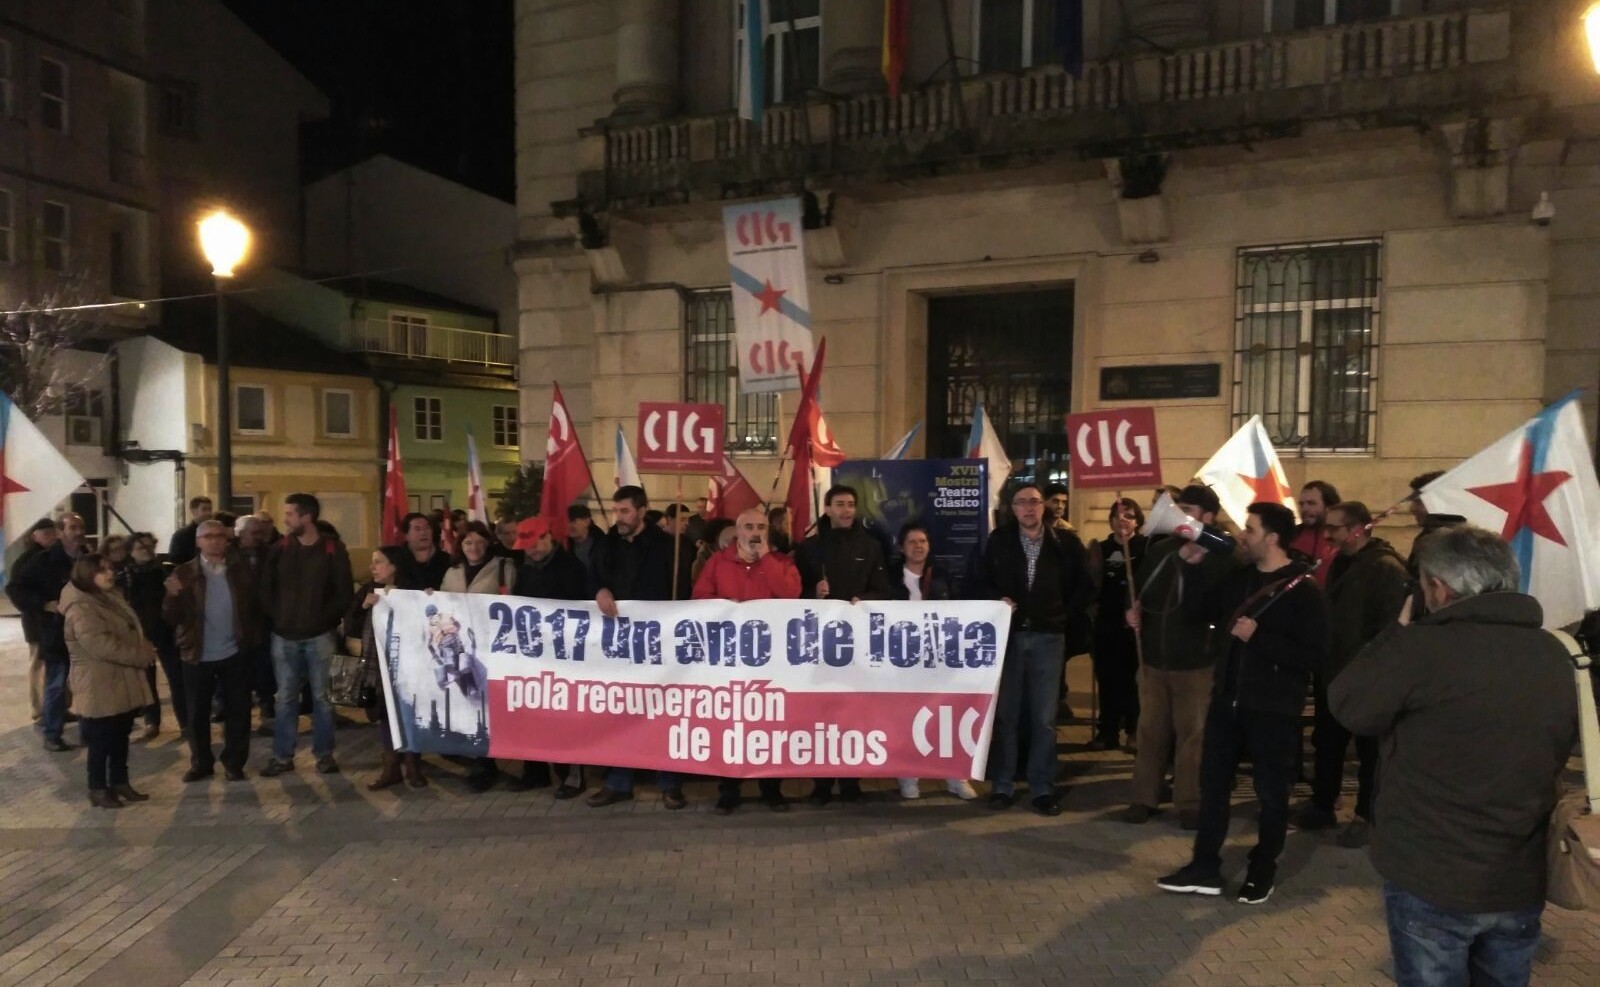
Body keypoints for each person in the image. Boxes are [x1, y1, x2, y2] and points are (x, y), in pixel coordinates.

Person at [1330, 526, 1578, 987]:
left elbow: (1348, 704)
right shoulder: (1558, 654)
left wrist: (1396, 632)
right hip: (1517, 875)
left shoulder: (1421, 650)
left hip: (1432, 875)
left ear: (1439, 589)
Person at [1157, 502, 1328, 905]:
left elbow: (1314, 656)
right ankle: (1204, 866)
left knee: (1271, 793)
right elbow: (1197, 612)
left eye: (1250, 529)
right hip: (1227, 702)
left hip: (1273, 709)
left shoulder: (1303, 590)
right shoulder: (1241, 578)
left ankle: (1262, 870)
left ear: (1273, 537)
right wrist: (1192, 567)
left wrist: (1260, 638)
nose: (1242, 536)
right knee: (1213, 787)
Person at [1294, 500, 1408, 847]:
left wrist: (1371, 672)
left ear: (1357, 530)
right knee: (1328, 742)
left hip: (1367, 679)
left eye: (1334, 528)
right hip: (1335, 673)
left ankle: (1366, 816)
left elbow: (1390, 630)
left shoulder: (1386, 568)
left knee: (1370, 751)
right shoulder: (1342, 562)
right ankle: (1322, 804)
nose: (1327, 535)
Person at [1123, 485, 1234, 829]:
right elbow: (1143, 591)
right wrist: (1133, 611)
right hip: (1154, 658)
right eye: (1178, 508)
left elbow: (1211, 606)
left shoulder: (1221, 556)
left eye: (1188, 509)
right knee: (1150, 732)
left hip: (1196, 662)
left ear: (1208, 517)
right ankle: (1144, 797)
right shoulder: (1161, 550)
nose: (1179, 515)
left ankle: (1190, 801)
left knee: (1193, 735)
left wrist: (1193, 567)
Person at [980, 482, 1092, 817]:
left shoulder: (1065, 543)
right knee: (1007, 715)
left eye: (1034, 501)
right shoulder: (999, 541)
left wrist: (1061, 614)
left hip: (1048, 637)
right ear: (1012, 508)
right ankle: (1003, 784)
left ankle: (1042, 787)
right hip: (1010, 636)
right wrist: (996, 600)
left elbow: (1084, 585)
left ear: (1044, 506)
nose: (1029, 508)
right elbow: (981, 581)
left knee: (1044, 718)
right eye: (1021, 502)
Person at [586, 485, 693, 809]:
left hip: (660, 643)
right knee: (624, 712)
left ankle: (670, 782)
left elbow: (683, 589)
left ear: (642, 511)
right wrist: (599, 590)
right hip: (619, 645)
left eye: (625, 511)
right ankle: (619, 782)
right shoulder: (606, 544)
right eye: (616, 510)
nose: (619, 517)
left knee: (664, 712)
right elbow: (591, 576)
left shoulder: (668, 546)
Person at [692, 507, 800, 814]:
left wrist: (766, 560)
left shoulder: (781, 562)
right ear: (737, 532)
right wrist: (724, 606)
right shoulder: (718, 562)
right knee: (731, 724)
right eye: (749, 527)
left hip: (771, 659)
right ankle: (729, 789)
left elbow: (791, 595)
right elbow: (699, 598)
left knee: (771, 724)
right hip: (730, 659)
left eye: (761, 527)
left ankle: (771, 788)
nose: (755, 532)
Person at [796, 484, 890, 804]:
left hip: (858, 644)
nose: (846, 510)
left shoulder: (871, 546)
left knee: (854, 714)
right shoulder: (808, 548)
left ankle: (851, 781)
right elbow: (791, 595)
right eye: (839, 504)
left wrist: (863, 599)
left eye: (850, 504)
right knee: (820, 715)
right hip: (818, 644)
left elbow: (884, 590)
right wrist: (813, 593)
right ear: (827, 508)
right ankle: (821, 783)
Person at [258, 494, 354, 777]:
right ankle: (282, 756)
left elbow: (343, 592)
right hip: (284, 636)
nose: (285, 519)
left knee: (323, 699)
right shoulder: (280, 549)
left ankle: (324, 755)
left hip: (319, 636)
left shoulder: (332, 549)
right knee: (285, 698)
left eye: (290, 514)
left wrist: (324, 621)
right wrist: (278, 617)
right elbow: (266, 589)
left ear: (306, 516)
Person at [161, 520, 263, 782]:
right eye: (208, 536)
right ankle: (201, 762)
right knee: (197, 713)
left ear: (227, 540)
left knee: (238, 711)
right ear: (198, 542)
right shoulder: (185, 573)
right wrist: (173, 596)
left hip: (234, 651)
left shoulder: (240, 570)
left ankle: (234, 762)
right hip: (197, 653)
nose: (215, 540)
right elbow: (171, 618)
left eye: (219, 535)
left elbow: (254, 606)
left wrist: (252, 638)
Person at [889, 521, 976, 802]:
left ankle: (955, 777)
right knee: (907, 719)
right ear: (901, 547)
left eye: (923, 541)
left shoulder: (942, 576)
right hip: (903, 660)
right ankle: (908, 776)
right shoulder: (889, 578)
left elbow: (962, 610)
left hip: (939, 659)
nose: (918, 546)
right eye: (912, 542)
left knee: (947, 716)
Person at [60, 553, 156, 808]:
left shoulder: (109, 596)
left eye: (110, 568)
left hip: (119, 679)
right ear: (87, 574)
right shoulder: (81, 607)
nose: (110, 573)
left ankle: (119, 781)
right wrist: (140, 656)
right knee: (101, 738)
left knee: (120, 734)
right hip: (98, 682)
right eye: (102, 570)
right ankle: (98, 788)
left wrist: (143, 646)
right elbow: (100, 645)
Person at [508, 516, 590, 796]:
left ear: (547, 538)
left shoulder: (571, 568)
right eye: (526, 547)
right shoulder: (526, 570)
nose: (530, 551)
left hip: (563, 656)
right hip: (533, 655)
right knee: (532, 713)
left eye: (533, 544)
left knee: (564, 717)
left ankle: (571, 775)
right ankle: (535, 771)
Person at [441, 521, 520, 792]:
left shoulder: (504, 567)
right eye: (467, 542)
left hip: (492, 648)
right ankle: (479, 761)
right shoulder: (452, 572)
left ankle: (487, 761)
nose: (473, 547)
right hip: (461, 650)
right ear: (460, 545)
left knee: (490, 705)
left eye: (478, 542)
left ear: (487, 543)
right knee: (471, 703)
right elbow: (442, 605)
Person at [348, 546, 426, 790]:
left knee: (409, 713)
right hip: (377, 666)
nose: (373, 567)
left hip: (408, 666)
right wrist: (364, 607)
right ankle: (391, 767)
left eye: (378, 562)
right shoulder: (367, 591)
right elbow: (350, 625)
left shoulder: (412, 592)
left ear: (394, 566)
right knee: (384, 714)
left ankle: (413, 765)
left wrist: (429, 599)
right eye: (373, 562)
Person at [11, 512, 90, 751]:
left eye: (80, 527)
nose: (78, 532)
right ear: (60, 532)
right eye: (72, 527)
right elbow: (16, 588)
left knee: (87, 684)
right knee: (56, 684)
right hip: (57, 632)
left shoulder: (88, 558)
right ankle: (52, 734)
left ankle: (89, 732)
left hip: (88, 632)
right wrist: (43, 604)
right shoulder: (42, 561)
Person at [1087, 498, 1146, 752]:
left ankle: (1134, 730)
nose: (1123, 520)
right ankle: (1107, 731)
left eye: (1129, 516)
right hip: (1106, 624)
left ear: (1138, 521)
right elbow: (1090, 583)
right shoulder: (1101, 549)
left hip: (1134, 627)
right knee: (1107, 679)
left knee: (1133, 681)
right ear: (1111, 520)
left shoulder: (1145, 548)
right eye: (1118, 515)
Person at [124, 532, 186, 742]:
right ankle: (152, 722)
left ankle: (185, 722)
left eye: (150, 546)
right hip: (140, 633)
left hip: (166, 630)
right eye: (141, 548)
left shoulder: (164, 570)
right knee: (147, 681)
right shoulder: (126, 575)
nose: (147, 551)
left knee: (177, 679)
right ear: (131, 552)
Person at [7, 517, 61, 724]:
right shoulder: (27, 561)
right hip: (36, 620)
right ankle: (38, 709)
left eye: (53, 532)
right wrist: (41, 604)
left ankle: (57, 707)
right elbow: (16, 590)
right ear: (34, 536)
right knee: (39, 663)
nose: (51, 537)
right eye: (46, 533)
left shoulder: (55, 557)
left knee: (55, 664)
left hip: (54, 621)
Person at [234, 514, 277, 732]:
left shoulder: (270, 554)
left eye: (261, 532)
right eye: (254, 533)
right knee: (239, 669)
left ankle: (266, 705)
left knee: (265, 666)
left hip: (264, 620)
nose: (259, 537)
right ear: (240, 534)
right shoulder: (229, 556)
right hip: (238, 621)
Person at [1289, 480, 1340, 588]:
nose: (1304, 509)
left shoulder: (1342, 538)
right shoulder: (1290, 536)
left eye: (1311, 503)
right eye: (1301, 504)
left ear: (1329, 507)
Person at [397, 513, 452, 591]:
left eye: (427, 528)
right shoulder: (396, 560)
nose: (423, 533)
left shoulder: (448, 560)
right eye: (417, 529)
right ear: (406, 535)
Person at [167, 496, 214, 566]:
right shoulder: (181, 535)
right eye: (204, 509)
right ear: (193, 511)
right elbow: (177, 561)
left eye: (210, 509)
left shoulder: (214, 533)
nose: (208, 513)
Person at [567, 504, 598, 570]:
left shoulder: (601, 545)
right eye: (567, 521)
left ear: (587, 522)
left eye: (573, 521)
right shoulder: (564, 547)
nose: (569, 525)